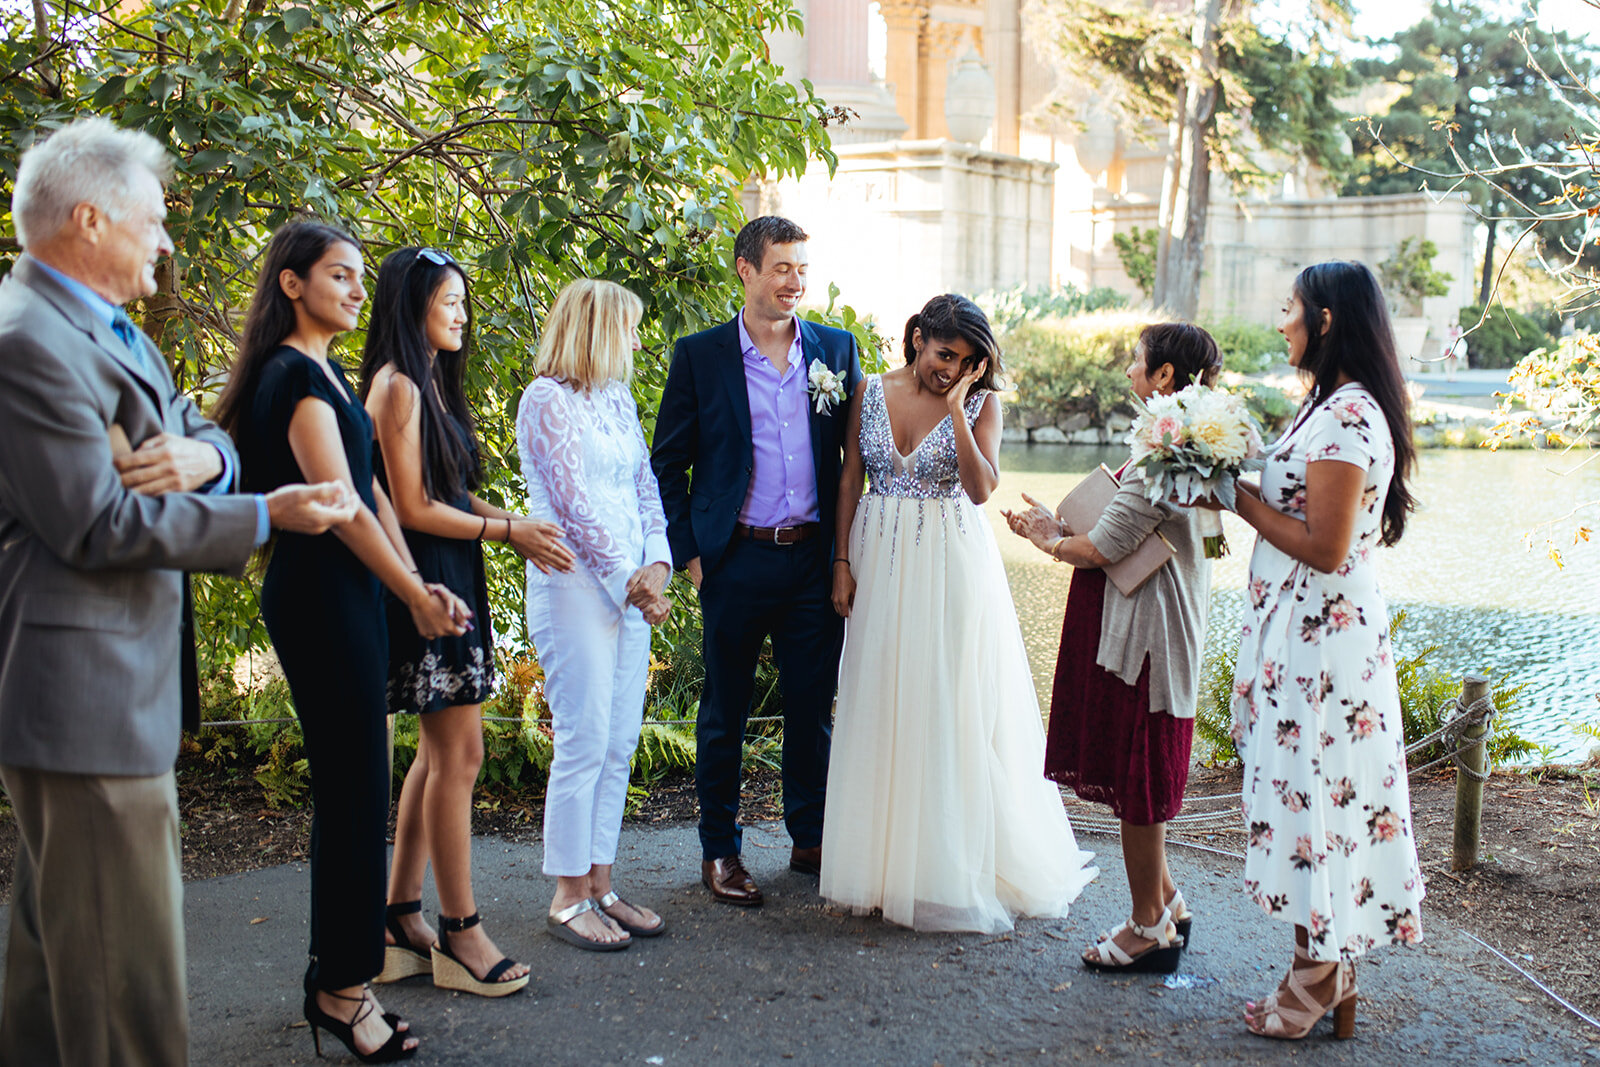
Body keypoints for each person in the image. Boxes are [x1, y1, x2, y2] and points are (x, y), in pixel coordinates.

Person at [0, 118, 356, 1066]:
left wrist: (208, 453)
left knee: (52, 973)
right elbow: (99, 524)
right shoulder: (30, 344)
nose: (165, 241)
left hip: (108, 696)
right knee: (127, 995)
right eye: (152, 222)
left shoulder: (103, 325)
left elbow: (209, 434)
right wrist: (267, 512)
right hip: (85, 699)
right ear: (88, 220)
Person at [216, 221, 474, 1062]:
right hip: (319, 594)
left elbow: (375, 493)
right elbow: (338, 500)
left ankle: (346, 975)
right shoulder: (290, 375)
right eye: (339, 274)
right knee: (354, 789)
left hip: (358, 588)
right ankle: (340, 985)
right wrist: (412, 589)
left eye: (363, 277)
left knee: (363, 784)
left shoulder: (327, 371)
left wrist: (417, 583)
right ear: (291, 284)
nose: (358, 289)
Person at [822, 293, 1097, 933]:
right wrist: (840, 562)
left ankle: (946, 868)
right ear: (917, 337)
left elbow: (980, 489)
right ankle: (881, 865)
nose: (952, 368)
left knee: (946, 699)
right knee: (881, 696)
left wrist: (955, 409)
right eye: (944, 354)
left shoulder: (981, 403)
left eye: (966, 361)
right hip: (878, 555)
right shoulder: (868, 389)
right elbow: (849, 480)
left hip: (949, 561)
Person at [359, 248, 573, 995]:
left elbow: (451, 490)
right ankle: (461, 933)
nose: (462, 314)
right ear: (411, 304)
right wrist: (508, 534)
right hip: (423, 579)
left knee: (436, 753)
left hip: (451, 570)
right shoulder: (396, 388)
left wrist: (519, 524)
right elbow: (412, 507)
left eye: (463, 302)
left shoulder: (429, 385)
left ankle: (397, 917)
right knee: (461, 757)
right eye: (449, 301)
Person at [1224, 261, 1423, 1040]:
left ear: (1327, 320)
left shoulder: (1347, 416)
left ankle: (1322, 967)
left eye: (1291, 308)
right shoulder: (1326, 405)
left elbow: (1328, 546)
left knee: (1316, 795)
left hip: (1325, 642)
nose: (1282, 322)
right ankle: (1322, 960)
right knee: (1315, 796)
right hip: (1308, 634)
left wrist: (1236, 498)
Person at [651, 216, 862, 904]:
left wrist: (841, 557)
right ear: (745, 269)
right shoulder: (700, 355)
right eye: (781, 268)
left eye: (802, 267)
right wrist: (690, 555)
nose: (795, 281)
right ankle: (721, 849)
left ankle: (810, 837)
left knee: (812, 708)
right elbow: (667, 466)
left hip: (811, 562)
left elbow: (853, 463)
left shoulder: (835, 348)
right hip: (734, 560)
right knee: (724, 712)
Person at [1003, 323, 1222, 970]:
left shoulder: (1165, 452)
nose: (1129, 371)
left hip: (1146, 642)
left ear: (1164, 378)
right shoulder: (1195, 446)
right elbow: (1191, 541)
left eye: (1137, 362)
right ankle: (1168, 901)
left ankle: (1146, 926)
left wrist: (1047, 537)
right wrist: (1067, 526)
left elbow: (1103, 548)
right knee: (1141, 779)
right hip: (1157, 630)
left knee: (1139, 785)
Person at [517, 278, 673, 949]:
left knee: (620, 742)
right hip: (574, 587)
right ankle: (567, 894)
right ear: (600, 328)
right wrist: (627, 579)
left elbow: (645, 483)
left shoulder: (615, 397)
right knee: (583, 738)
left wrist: (659, 561)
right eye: (630, 328)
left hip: (632, 585)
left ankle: (603, 883)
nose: (637, 342)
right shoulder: (544, 400)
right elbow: (573, 505)